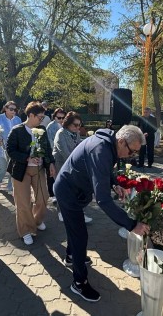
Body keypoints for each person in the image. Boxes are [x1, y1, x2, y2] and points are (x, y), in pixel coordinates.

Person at [54, 125, 150, 302]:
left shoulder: (109, 143)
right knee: (79, 236)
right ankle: (79, 283)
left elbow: (104, 170)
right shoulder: (101, 149)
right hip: (68, 193)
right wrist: (131, 225)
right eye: (132, 152)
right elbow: (103, 200)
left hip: (76, 190)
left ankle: (71, 256)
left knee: (76, 232)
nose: (132, 156)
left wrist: (114, 183)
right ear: (121, 141)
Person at [6, 101, 55, 246]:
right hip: (21, 170)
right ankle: (26, 230)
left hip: (39, 169)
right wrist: (26, 158)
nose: (42, 120)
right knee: (23, 203)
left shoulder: (42, 130)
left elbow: (47, 149)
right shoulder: (17, 130)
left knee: (43, 198)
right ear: (31, 115)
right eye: (40, 117)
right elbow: (10, 150)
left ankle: (36, 221)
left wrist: (50, 163)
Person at [52, 111, 92, 224]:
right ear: (67, 123)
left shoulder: (76, 133)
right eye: (75, 125)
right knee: (62, 189)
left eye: (79, 125)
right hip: (60, 164)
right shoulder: (61, 133)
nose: (78, 127)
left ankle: (80, 213)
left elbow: (79, 146)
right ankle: (61, 212)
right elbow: (65, 153)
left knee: (76, 191)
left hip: (73, 165)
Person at [0, 101, 21, 193]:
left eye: (15, 109)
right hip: (0, 147)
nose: (13, 111)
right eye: (11, 109)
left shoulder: (18, 119)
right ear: (5, 108)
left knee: (13, 167)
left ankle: (10, 187)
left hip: (14, 148)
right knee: (3, 167)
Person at [46, 107, 65, 202]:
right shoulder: (50, 126)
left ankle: (61, 193)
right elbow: (50, 142)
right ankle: (53, 194)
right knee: (53, 174)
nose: (61, 120)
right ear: (54, 117)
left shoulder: (66, 125)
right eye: (59, 118)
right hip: (53, 153)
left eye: (63, 117)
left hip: (64, 154)